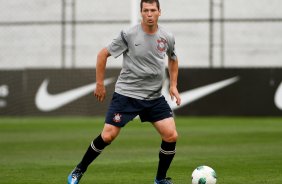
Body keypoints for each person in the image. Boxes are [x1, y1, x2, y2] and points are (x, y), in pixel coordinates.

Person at [67, 0, 181, 183]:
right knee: (107, 136)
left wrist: (173, 85)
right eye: (146, 10)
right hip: (127, 95)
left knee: (171, 135)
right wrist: (99, 84)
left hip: (154, 98)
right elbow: (102, 54)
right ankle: (79, 170)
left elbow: (173, 59)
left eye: (153, 10)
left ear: (160, 12)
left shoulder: (167, 36)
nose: (149, 14)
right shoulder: (129, 35)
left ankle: (160, 180)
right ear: (141, 13)